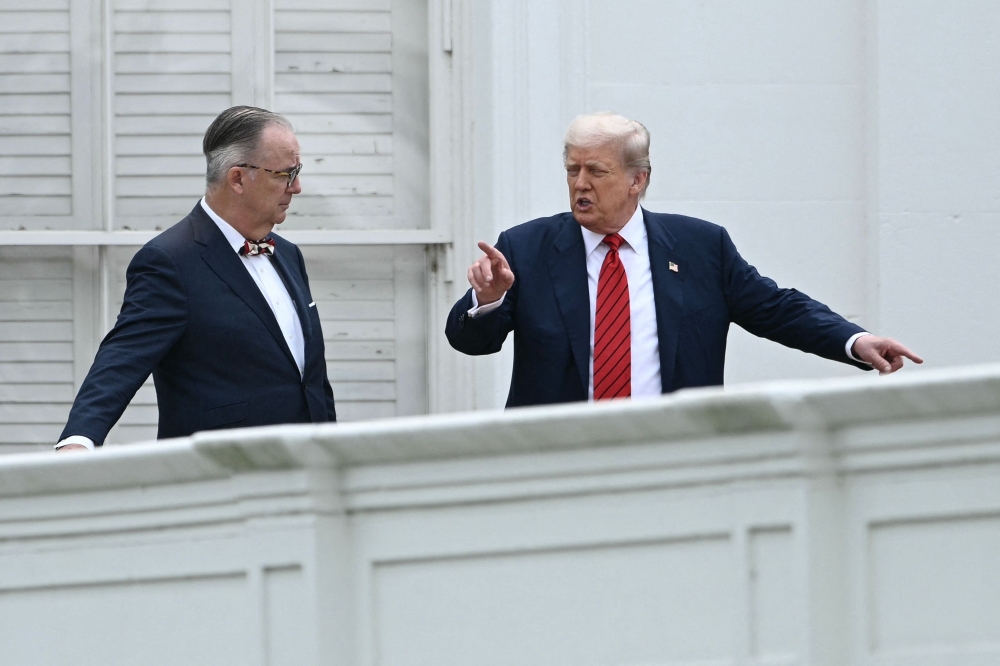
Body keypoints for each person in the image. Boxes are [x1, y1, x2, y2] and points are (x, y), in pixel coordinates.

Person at [446, 112, 922, 407]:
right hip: (559, 462)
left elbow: (777, 309)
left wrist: (854, 341)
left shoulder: (700, 247)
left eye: (597, 171)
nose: (580, 184)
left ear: (638, 180)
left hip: (674, 455)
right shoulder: (526, 247)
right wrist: (486, 300)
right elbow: (471, 343)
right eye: (573, 170)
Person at [56, 106, 336, 451]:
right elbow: (122, 357)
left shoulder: (288, 254)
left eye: (297, 172)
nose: (297, 188)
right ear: (237, 178)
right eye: (285, 174)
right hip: (223, 479)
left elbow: (311, 380)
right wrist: (79, 438)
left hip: (309, 471)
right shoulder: (170, 260)